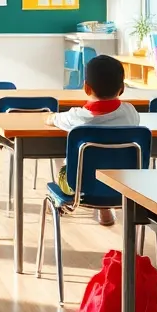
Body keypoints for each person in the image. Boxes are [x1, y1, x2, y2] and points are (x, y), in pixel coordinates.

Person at [45, 54, 140, 226]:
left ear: (87, 88)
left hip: (78, 186)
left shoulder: (77, 117)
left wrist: (51, 117)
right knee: (106, 159)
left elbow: (51, 119)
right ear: (122, 88)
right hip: (124, 183)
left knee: (61, 156)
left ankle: (61, 204)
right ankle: (105, 209)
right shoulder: (130, 112)